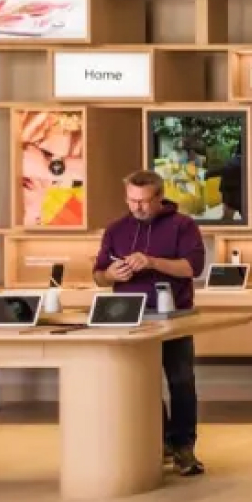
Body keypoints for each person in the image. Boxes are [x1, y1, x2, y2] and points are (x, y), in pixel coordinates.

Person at [94, 171, 209, 476]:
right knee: (142, 383)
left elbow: (192, 268)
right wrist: (110, 276)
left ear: (160, 198)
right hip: (129, 317)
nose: (139, 207)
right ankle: (159, 443)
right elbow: (98, 274)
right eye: (133, 201)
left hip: (174, 318)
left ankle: (184, 446)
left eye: (145, 201)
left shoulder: (183, 226)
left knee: (180, 381)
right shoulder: (116, 229)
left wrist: (153, 261)